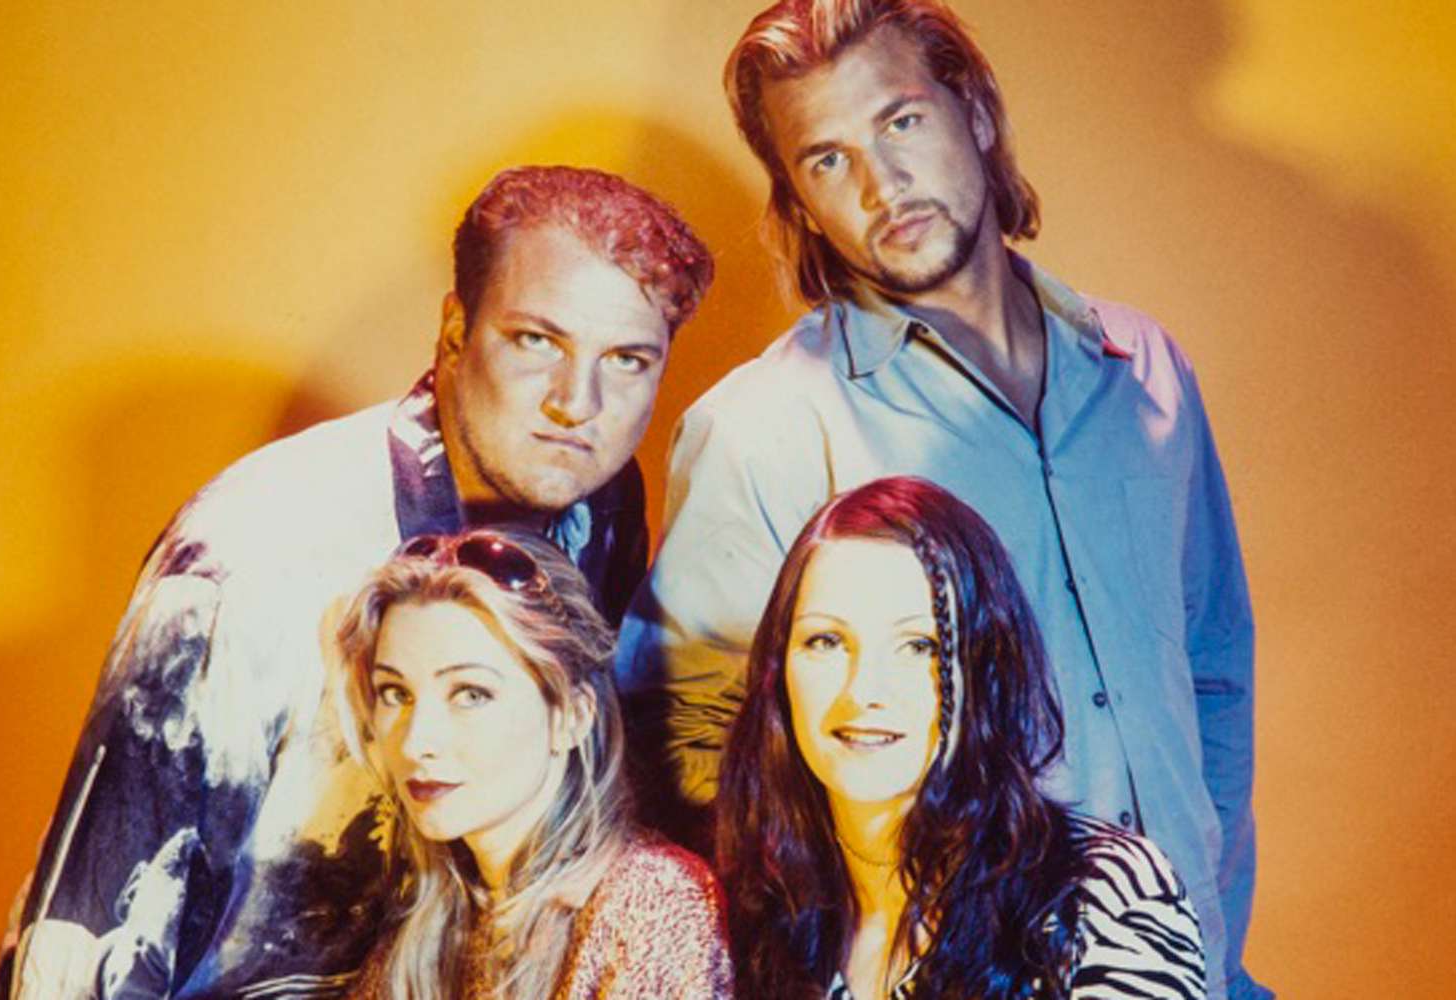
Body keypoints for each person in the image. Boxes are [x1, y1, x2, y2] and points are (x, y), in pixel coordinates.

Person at [618, 3, 1265, 997]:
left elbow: (1213, 670)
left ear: (976, 111)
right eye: (826, 160)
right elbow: (686, 754)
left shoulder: (1145, 371)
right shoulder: (762, 429)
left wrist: (1198, 931)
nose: (881, 185)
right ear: (799, 202)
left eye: (902, 121)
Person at [0, 165, 713, 997]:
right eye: (536, 342)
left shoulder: (599, 507)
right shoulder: (249, 555)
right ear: (456, 330)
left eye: (626, 360)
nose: (576, 403)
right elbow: (79, 938)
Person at [717, 476, 1205, 999]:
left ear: (986, 667)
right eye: (827, 641)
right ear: (779, 669)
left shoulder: (1105, 899)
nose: (864, 690)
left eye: (920, 645)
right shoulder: (745, 915)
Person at [334, 528, 732, 999]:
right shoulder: (438, 909)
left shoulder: (650, 901)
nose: (416, 741)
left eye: (470, 694)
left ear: (572, 715)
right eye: (395, 693)